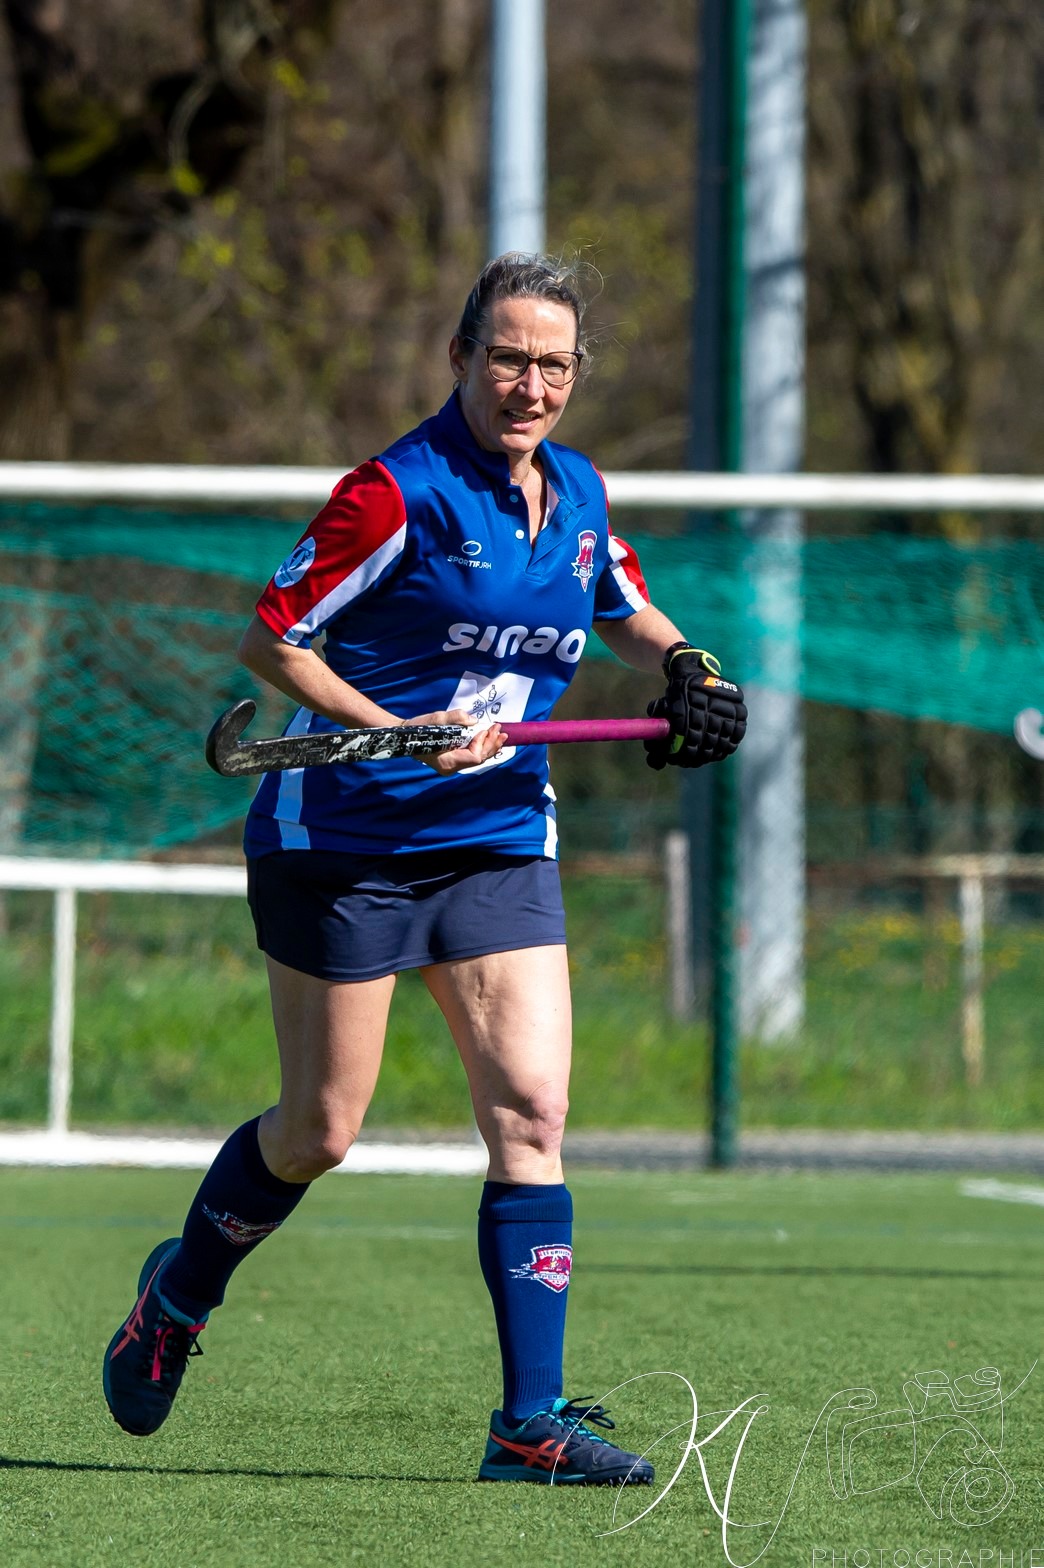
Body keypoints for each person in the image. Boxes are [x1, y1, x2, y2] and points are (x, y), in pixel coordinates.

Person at [102, 252, 747, 1484]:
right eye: (507, 356)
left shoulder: (580, 495)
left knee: (532, 1111)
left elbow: (618, 605)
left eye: (553, 364)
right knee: (319, 1127)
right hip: (345, 840)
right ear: (461, 357)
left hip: (499, 835)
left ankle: (530, 1420)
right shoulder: (392, 492)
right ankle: (175, 1297)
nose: (529, 384)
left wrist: (687, 665)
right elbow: (271, 640)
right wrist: (396, 732)